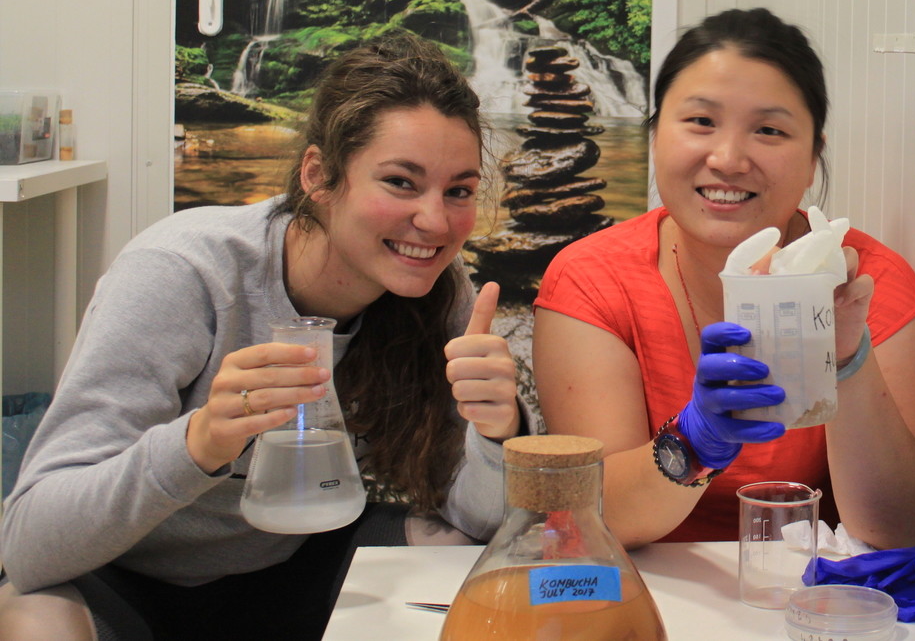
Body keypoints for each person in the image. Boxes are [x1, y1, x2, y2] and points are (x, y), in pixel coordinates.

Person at [0, 34, 527, 641]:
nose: (434, 222)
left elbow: (480, 522)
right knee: (31, 621)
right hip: (126, 579)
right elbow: (30, 544)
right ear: (318, 176)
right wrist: (198, 443)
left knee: (465, 558)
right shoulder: (183, 272)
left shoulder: (437, 290)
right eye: (400, 182)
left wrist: (497, 435)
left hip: (298, 572)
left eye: (458, 191)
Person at [533, 8, 915, 549]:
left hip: (809, 591)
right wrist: (694, 440)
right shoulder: (593, 280)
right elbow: (599, 518)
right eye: (701, 122)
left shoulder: (866, 284)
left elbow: (898, 531)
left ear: (813, 157)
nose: (727, 159)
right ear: (655, 137)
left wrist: (846, 359)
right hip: (644, 585)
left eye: (769, 130)